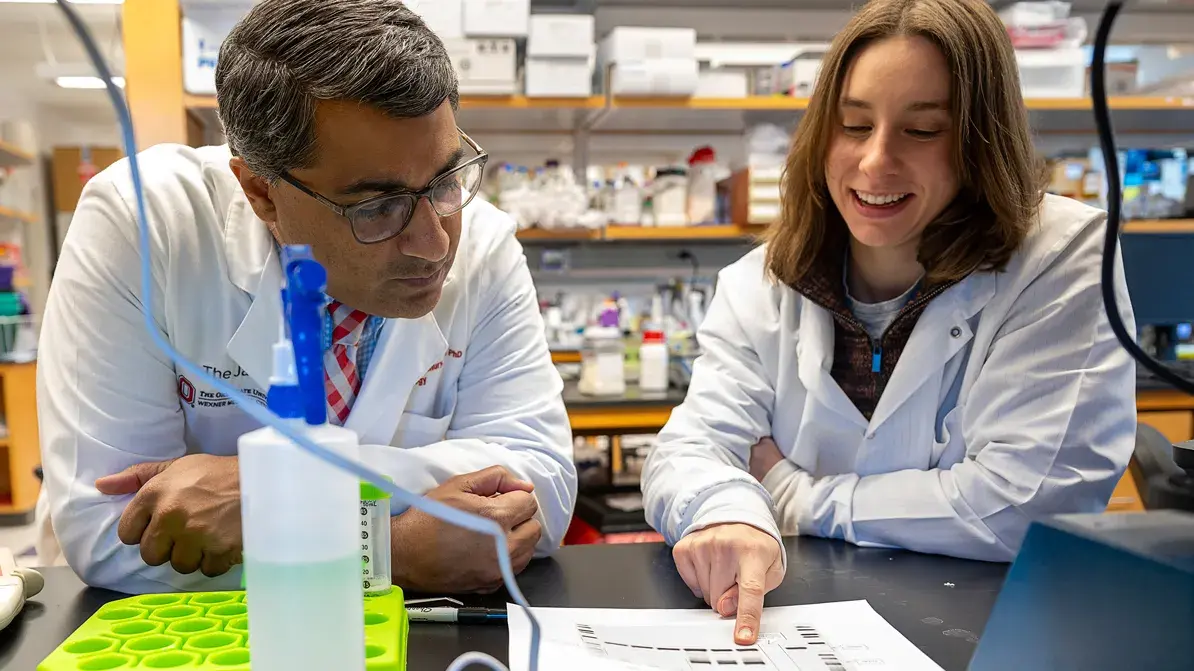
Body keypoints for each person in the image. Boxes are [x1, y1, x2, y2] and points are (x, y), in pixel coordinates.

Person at [35, 0, 577, 595]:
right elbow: (110, 530)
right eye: (377, 206)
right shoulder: (146, 223)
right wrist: (388, 548)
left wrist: (268, 491)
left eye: (447, 180)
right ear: (261, 193)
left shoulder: (487, 242)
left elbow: (538, 490)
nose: (432, 242)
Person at [641, 0, 1137, 647]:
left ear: (982, 139)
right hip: (800, 629)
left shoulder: (1062, 257)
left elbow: (1028, 503)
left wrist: (792, 495)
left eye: (922, 130)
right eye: (853, 124)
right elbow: (688, 449)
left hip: (994, 635)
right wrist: (733, 511)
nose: (875, 161)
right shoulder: (760, 282)